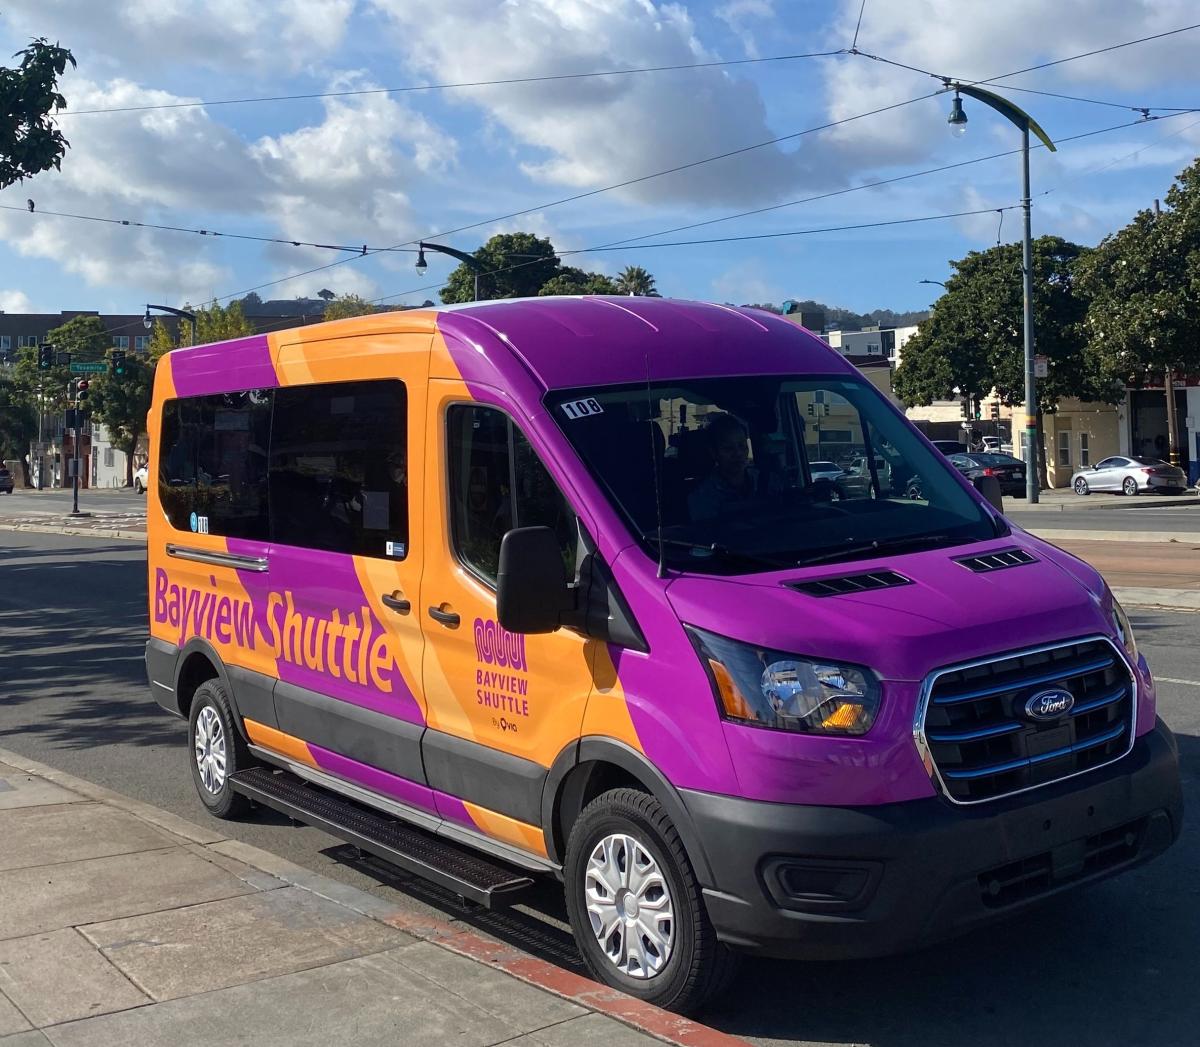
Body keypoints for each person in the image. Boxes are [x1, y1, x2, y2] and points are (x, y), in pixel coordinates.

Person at [688, 413, 763, 522]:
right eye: (728, 449)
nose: (738, 453)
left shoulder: (766, 482)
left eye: (742, 446)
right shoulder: (703, 497)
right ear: (713, 452)